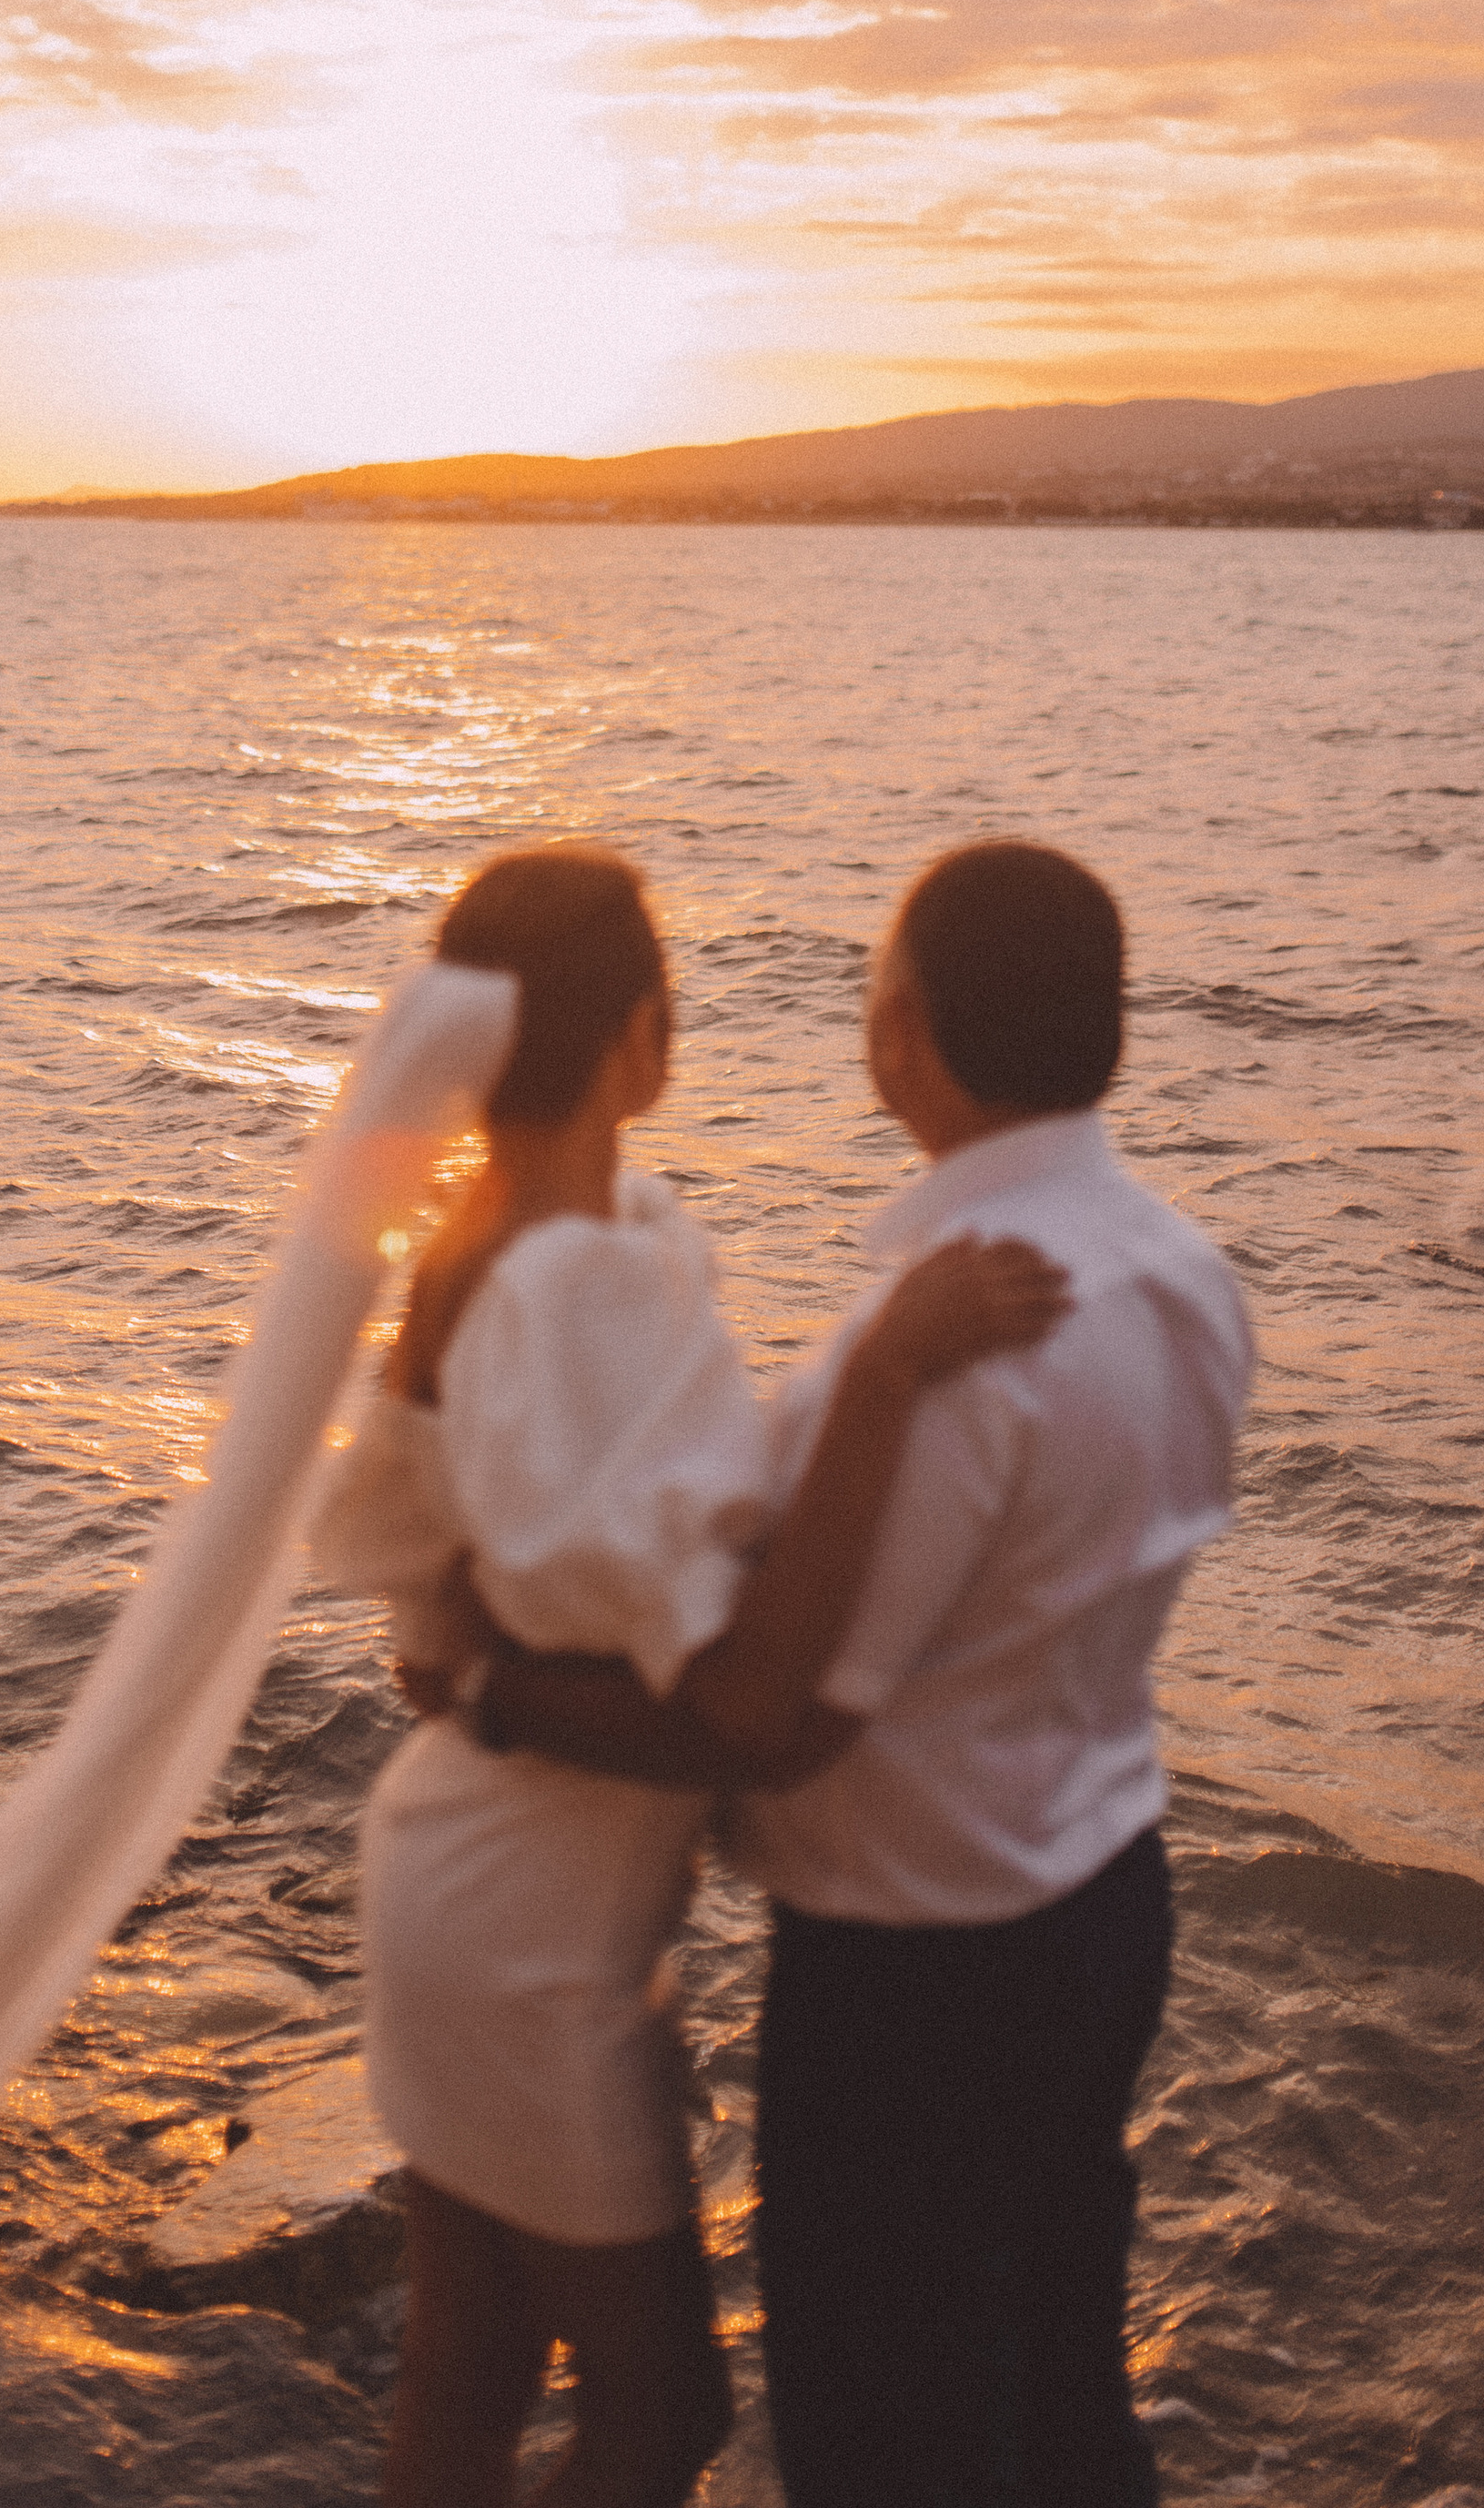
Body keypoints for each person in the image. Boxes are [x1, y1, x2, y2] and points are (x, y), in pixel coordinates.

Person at [456, 839, 1257, 2508]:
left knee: (889, 2430)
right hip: (1109, 1905)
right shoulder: (1191, 1278)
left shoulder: (954, 1343)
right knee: (1063, 2386)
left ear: (906, 1031)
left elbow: (782, 1720)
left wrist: (498, 1694)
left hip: (919, 1977)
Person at [315, 844, 1070, 2508]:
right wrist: (888, 1367)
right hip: (526, 1933)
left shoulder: (524, 1239)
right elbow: (739, 1706)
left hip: (479, 1879)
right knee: (664, 2412)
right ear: (642, 1033)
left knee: (472, 2363)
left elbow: (436, 1602)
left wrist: (487, 1679)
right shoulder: (560, 1281)